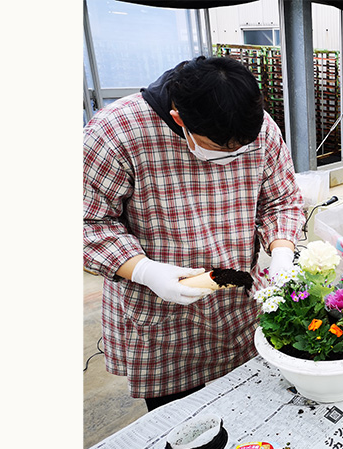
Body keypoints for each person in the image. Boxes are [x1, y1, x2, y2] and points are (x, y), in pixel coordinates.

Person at [83, 56, 305, 411]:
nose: (233, 157)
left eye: (241, 149)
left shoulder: (261, 129)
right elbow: (88, 222)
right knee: (180, 421)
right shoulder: (116, 132)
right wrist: (143, 270)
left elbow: (281, 199)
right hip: (162, 313)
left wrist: (281, 252)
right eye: (220, 149)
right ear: (179, 120)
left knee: (246, 406)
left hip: (237, 304)